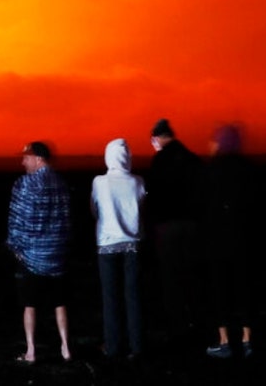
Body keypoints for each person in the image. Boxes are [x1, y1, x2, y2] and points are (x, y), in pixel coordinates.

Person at [6, 141, 74, 363]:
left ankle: (31, 351)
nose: (22, 161)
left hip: (31, 256)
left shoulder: (24, 184)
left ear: (38, 158)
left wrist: (16, 248)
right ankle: (65, 347)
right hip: (57, 255)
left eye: (26, 157)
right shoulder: (62, 184)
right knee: (60, 302)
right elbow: (66, 220)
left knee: (30, 304)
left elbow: (16, 221)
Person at [144, 117, 205, 353]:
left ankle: (178, 330)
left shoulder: (160, 161)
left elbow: (154, 197)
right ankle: (200, 324)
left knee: (171, 281)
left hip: (167, 228)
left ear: (157, 139)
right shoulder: (192, 159)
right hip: (192, 226)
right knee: (194, 277)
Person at [200, 123, 258, 359]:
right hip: (245, 239)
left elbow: (202, 206)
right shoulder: (249, 169)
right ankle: (247, 340)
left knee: (220, 290)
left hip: (217, 241)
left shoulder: (210, 170)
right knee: (245, 289)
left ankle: (224, 342)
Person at [91, 138, 147, 363]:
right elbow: (142, 210)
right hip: (133, 245)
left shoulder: (99, 182)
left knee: (110, 298)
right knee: (134, 298)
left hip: (106, 244)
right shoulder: (138, 181)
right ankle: (137, 346)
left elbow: (94, 210)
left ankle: (113, 346)